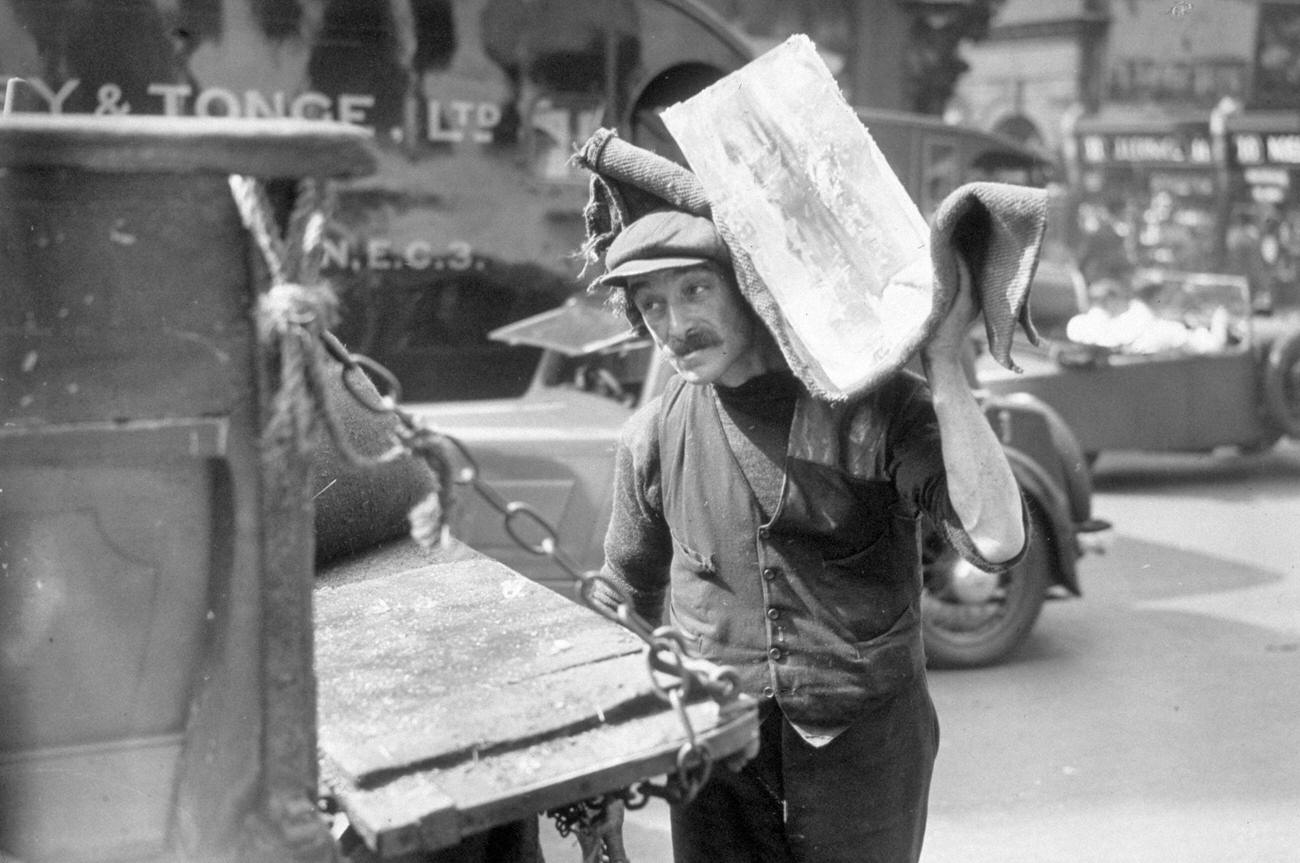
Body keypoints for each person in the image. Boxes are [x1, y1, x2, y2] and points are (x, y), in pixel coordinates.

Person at [587, 207, 1028, 863]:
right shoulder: (651, 435)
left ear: (748, 285)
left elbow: (995, 537)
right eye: (652, 304)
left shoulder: (872, 406)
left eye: (695, 290)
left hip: (865, 751)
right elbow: (622, 600)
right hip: (717, 763)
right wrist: (604, 770)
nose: (675, 326)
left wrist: (942, 364)